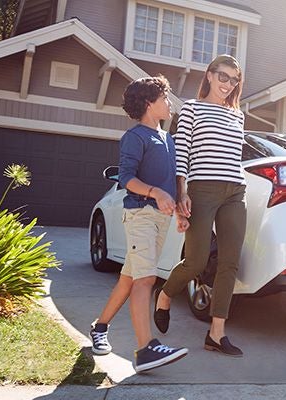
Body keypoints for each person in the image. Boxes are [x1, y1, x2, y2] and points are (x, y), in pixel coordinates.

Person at [88, 76, 190, 373]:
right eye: (164, 98)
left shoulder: (167, 138)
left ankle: (99, 327)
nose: (169, 103)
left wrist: (179, 209)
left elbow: (171, 181)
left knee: (129, 279)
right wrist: (155, 192)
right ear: (148, 103)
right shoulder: (135, 137)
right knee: (146, 279)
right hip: (140, 215)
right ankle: (146, 349)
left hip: (160, 219)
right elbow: (126, 178)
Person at [154, 54, 246, 357]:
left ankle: (216, 334)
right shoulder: (192, 108)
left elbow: (233, 156)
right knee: (196, 262)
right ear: (209, 75)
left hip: (235, 192)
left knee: (229, 263)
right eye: (223, 77)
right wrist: (181, 193)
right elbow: (182, 154)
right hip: (202, 190)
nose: (228, 85)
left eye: (234, 80)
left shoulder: (238, 115)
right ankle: (165, 294)